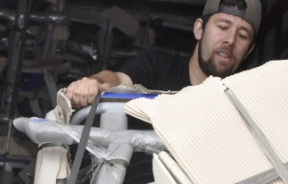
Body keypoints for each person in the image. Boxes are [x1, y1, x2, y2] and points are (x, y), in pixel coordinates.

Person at [66, 0, 261, 107]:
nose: (230, 40)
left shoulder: (245, 100)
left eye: (243, 35)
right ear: (199, 29)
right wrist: (95, 83)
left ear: (249, 51)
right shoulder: (158, 64)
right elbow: (118, 79)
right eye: (223, 26)